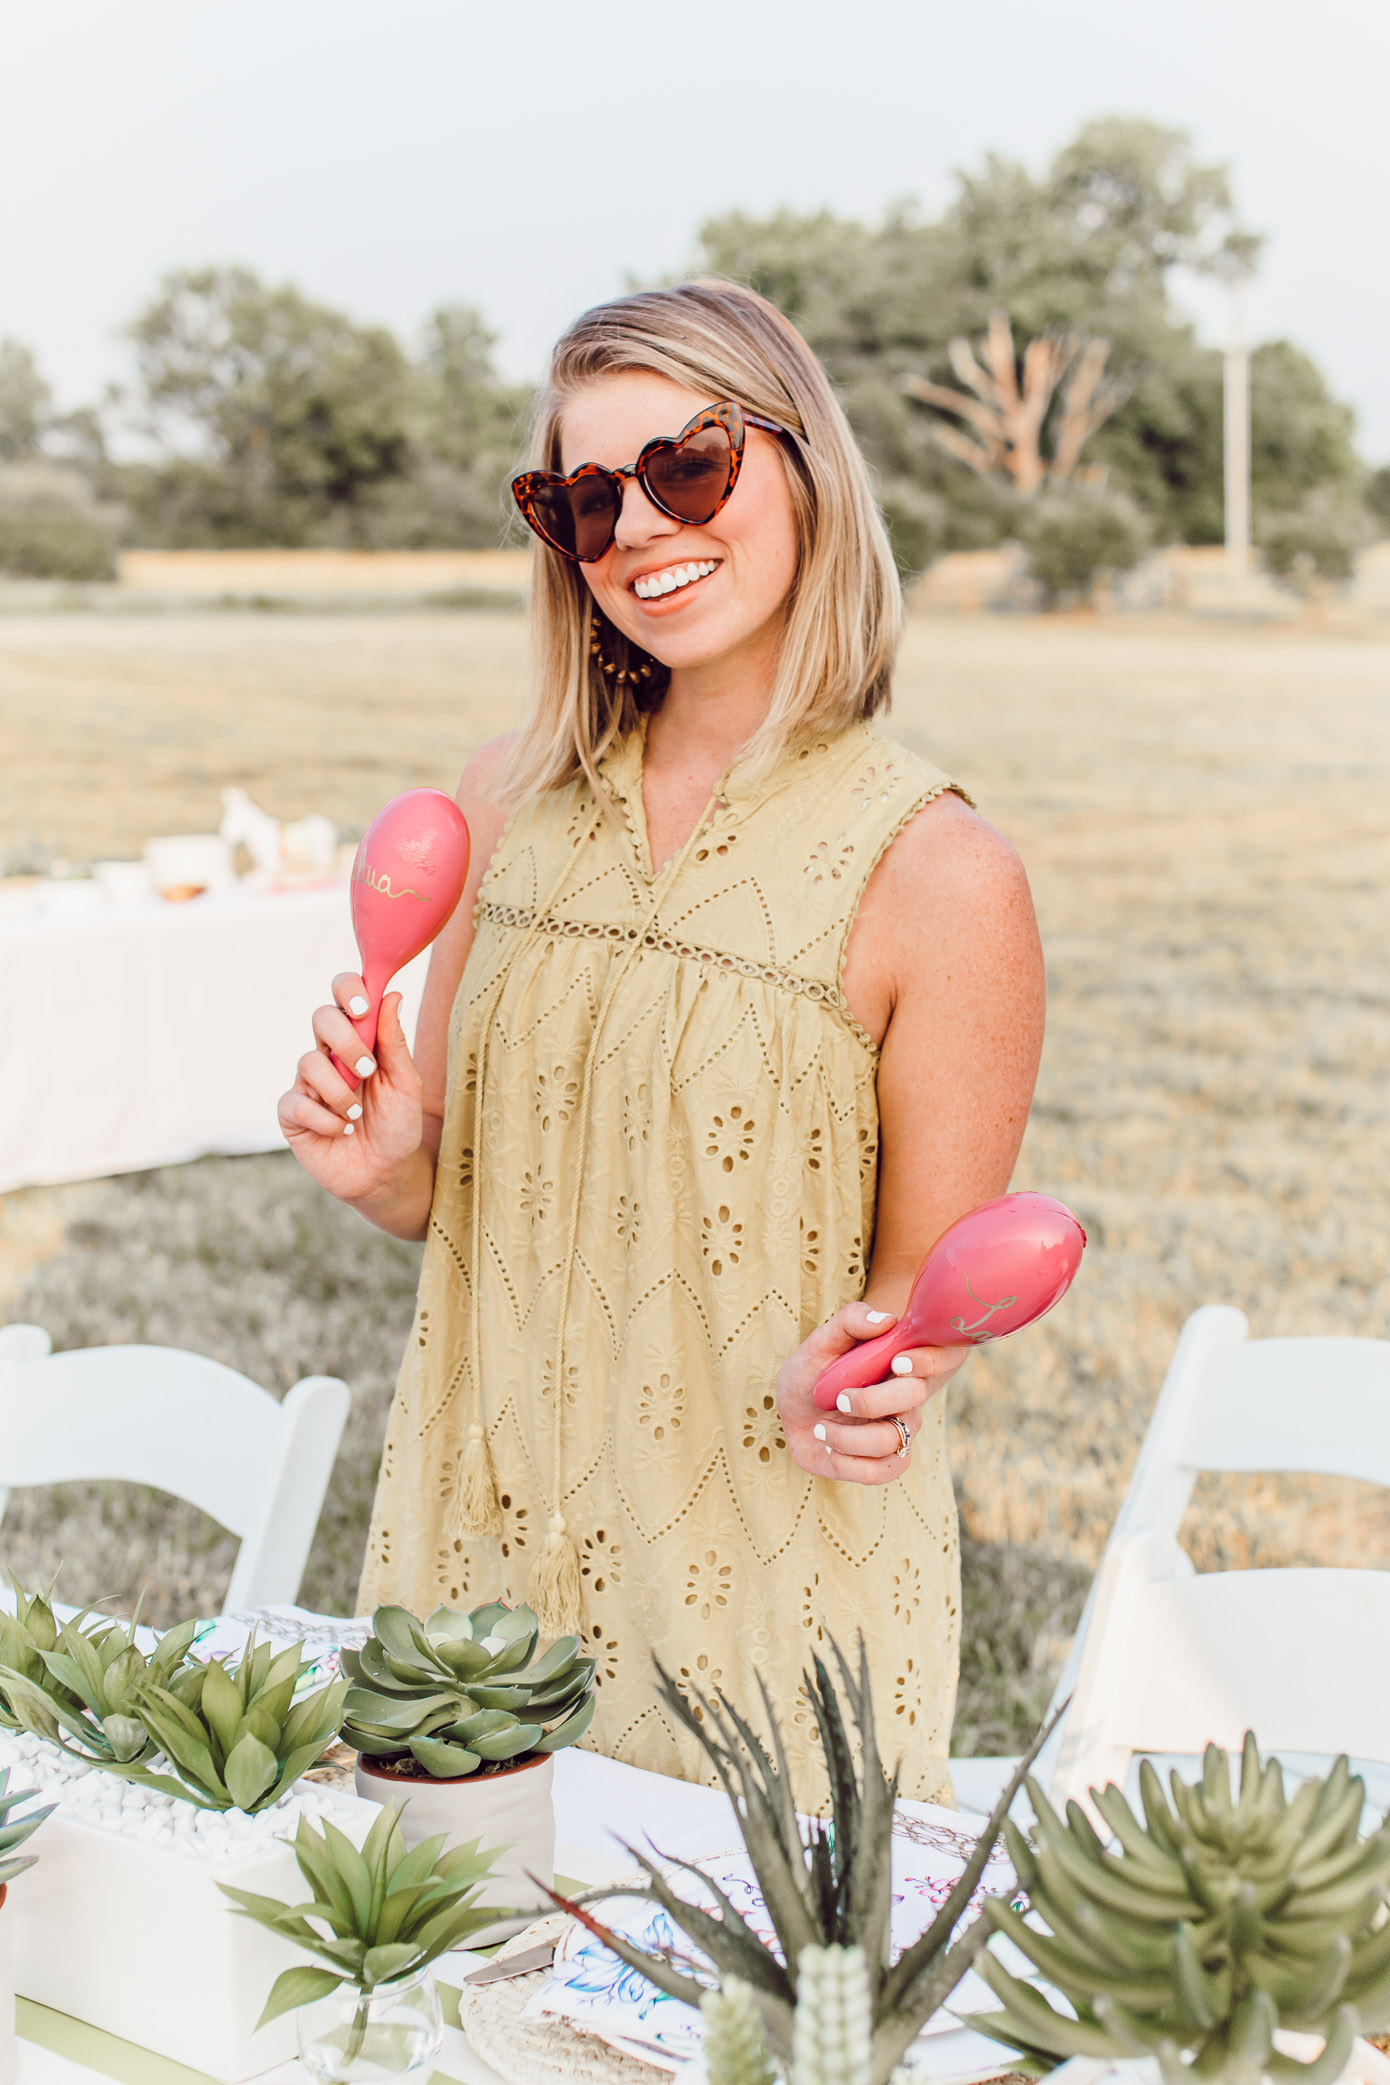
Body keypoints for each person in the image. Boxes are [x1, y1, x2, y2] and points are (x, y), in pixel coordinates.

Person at [279, 280, 1044, 1805]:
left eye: (686, 466)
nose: (635, 525)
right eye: (579, 497)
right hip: (475, 1566)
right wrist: (384, 1167)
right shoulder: (502, 801)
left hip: (757, 1597)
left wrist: (880, 1386)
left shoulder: (942, 875)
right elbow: (456, 1186)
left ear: (801, 464)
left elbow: (917, 1313)